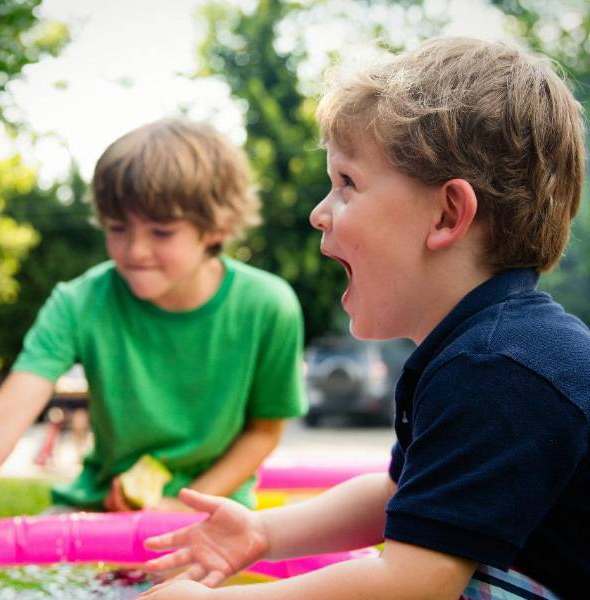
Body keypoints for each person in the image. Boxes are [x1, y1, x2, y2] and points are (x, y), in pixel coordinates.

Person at [137, 38, 589, 600]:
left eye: (347, 183)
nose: (318, 212)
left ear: (447, 213)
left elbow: (411, 584)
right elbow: (398, 494)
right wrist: (262, 531)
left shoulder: (500, 368)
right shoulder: (480, 350)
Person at [0, 118, 306, 587]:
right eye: (118, 228)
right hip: (96, 509)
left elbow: (263, 431)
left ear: (216, 226)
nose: (135, 250)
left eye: (161, 231)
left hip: (215, 516)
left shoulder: (268, 305)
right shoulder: (78, 302)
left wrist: (182, 503)